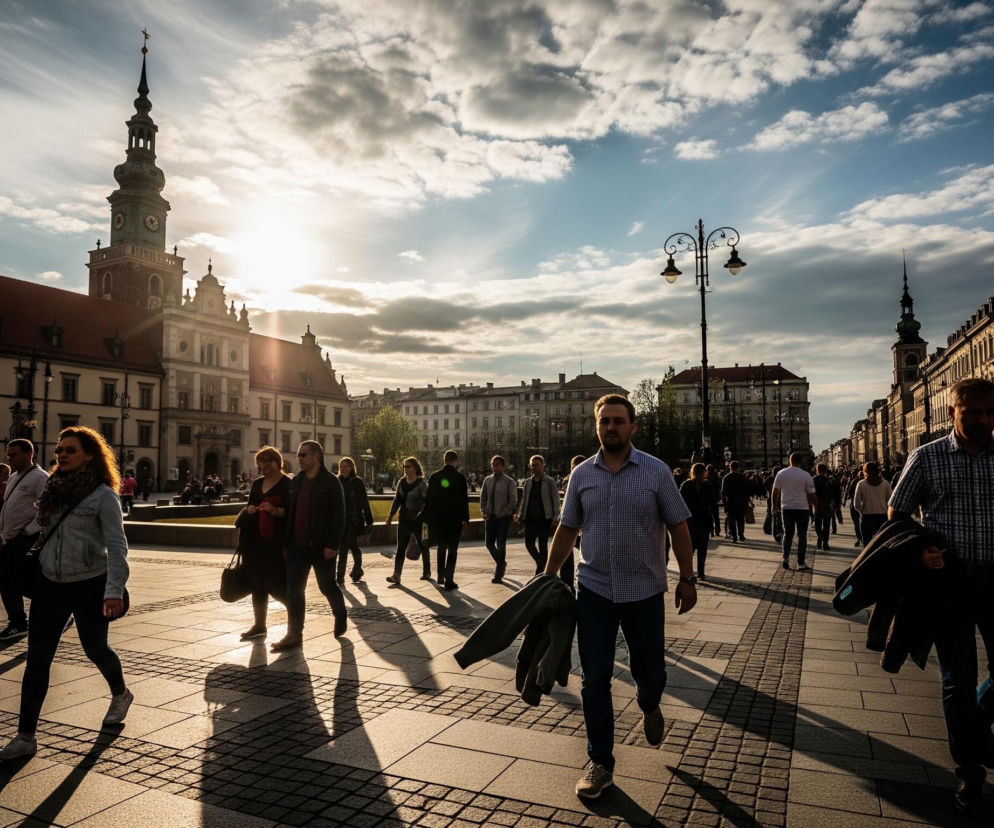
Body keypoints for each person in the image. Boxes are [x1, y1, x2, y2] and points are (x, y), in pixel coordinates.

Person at [543, 394, 697, 799]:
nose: (611, 427)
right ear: (596, 426)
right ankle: (600, 762)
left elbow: (679, 527)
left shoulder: (656, 471)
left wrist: (687, 577)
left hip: (644, 591)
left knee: (651, 672)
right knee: (594, 679)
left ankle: (649, 702)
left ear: (633, 427)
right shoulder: (581, 475)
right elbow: (566, 529)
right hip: (593, 590)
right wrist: (546, 577)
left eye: (618, 421)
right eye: (604, 421)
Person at [888, 378, 994, 814]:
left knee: (972, 692)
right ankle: (970, 771)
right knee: (958, 680)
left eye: (990, 413)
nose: (984, 421)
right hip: (948, 582)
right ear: (952, 412)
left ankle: (974, 730)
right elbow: (895, 514)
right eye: (973, 413)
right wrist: (921, 548)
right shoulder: (927, 458)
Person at [0, 426, 132, 761]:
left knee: (95, 647)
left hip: (89, 583)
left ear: (89, 455)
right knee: (37, 660)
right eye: (59, 449)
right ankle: (26, 737)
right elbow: (43, 529)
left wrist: (114, 590)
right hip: (50, 584)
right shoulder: (53, 489)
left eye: (70, 449)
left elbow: (117, 548)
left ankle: (120, 693)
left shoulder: (103, 495)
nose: (61, 454)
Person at [272, 440, 347, 652]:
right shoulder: (296, 481)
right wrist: (287, 542)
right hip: (297, 547)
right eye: (299, 455)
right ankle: (294, 634)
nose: (300, 458)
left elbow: (339, 516)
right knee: (294, 591)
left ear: (316, 456)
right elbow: (291, 513)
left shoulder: (331, 482)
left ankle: (340, 613)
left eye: (304, 455)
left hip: (322, 547)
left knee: (326, 586)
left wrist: (332, 544)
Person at [237, 446, 290, 641]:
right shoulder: (257, 484)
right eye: (260, 463)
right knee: (257, 585)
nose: (263, 466)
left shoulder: (287, 484)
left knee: (277, 586)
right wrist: (250, 509)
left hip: (276, 543)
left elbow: (291, 514)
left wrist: (275, 510)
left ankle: (294, 625)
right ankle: (259, 625)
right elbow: (249, 505)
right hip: (255, 542)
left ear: (277, 462)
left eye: (267, 462)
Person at [0, 439, 49, 640]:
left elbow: (47, 508)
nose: (10, 458)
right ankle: (19, 621)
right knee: (6, 580)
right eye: (8, 455)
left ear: (29, 454)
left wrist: (29, 530)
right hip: (9, 537)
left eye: (14, 454)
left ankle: (23, 620)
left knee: (17, 580)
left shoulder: (39, 477)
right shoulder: (13, 477)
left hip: (25, 538)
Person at [423, 450, 469, 590]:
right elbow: (463, 500)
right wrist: (465, 518)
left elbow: (429, 500)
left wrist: (428, 519)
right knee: (453, 549)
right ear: (455, 461)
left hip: (439, 518)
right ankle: (449, 579)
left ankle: (440, 575)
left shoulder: (435, 477)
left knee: (441, 546)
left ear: (444, 460)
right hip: (454, 519)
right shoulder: (460, 477)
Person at [384, 457, 429, 585]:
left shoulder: (422, 483)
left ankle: (427, 571)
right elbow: (397, 499)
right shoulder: (401, 482)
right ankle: (396, 575)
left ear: (415, 467)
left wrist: (422, 513)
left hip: (419, 520)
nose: (406, 469)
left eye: (408, 466)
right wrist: (390, 515)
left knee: (423, 545)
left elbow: (427, 502)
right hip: (404, 519)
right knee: (401, 548)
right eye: (404, 466)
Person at [515, 455, 560, 576]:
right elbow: (524, 499)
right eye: (532, 465)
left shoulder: (550, 481)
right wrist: (520, 516)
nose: (534, 467)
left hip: (544, 519)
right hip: (530, 519)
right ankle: (542, 565)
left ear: (543, 466)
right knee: (528, 543)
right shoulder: (528, 482)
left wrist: (556, 518)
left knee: (542, 545)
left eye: (537, 465)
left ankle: (540, 571)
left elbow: (556, 501)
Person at [771, 453, 816, 571]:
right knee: (802, 536)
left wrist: (773, 505)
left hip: (787, 508)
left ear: (789, 461)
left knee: (788, 534)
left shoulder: (781, 473)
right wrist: (816, 507)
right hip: (802, 508)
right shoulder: (806, 475)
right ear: (800, 462)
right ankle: (801, 563)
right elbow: (812, 494)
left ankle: (785, 558)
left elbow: (775, 491)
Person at [336, 456, 374, 585]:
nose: (343, 469)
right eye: (341, 467)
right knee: (343, 547)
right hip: (341, 520)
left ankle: (354, 570)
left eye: (346, 466)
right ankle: (341, 576)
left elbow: (364, 501)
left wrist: (369, 519)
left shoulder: (357, 482)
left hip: (354, 519)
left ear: (351, 467)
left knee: (352, 545)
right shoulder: (337, 481)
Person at [480, 455, 518, 583]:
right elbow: (483, 496)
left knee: (501, 545)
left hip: (502, 518)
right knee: (489, 544)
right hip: (490, 517)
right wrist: (484, 510)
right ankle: (501, 563)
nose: (494, 467)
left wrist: (504, 512)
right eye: (493, 465)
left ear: (502, 466)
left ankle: (498, 573)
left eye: (497, 465)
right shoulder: (487, 480)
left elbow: (513, 500)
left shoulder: (509, 482)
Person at [680, 463, 714, 581]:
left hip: (690, 521)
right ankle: (701, 573)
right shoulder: (707, 486)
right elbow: (712, 504)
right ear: (705, 472)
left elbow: (680, 503)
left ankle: (688, 572)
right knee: (702, 549)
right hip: (704, 520)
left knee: (690, 549)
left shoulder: (686, 485)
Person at [854, 461, 891, 546]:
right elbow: (890, 502)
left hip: (867, 517)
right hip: (882, 517)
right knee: (882, 543)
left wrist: (863, 511)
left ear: (865, 471)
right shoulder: (885, 484)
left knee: (867, 543)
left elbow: (856, 504)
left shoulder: (861, 484)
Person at [720, 460, 750, 543]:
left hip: (731, 502)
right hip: (741, 502)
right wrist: (748, 501)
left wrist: (724, 504)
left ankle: (734, 536)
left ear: (730, 467)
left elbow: (723, 493)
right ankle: (741, 534)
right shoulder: (742, 477)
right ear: (738, 467)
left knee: (731, 520)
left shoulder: (726, 478)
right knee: (741, 520)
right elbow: (746, 490)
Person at [812, 464, 835, 550]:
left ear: (817, 470)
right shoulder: (829, 480)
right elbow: (832, 494)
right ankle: (825, 543)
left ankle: (820, 538)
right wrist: (832, 504)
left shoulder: (813, 480)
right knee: (826, 525)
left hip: (816, 504)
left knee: (817, 524)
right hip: (826, 505)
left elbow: (811, 493)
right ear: (825, 471)